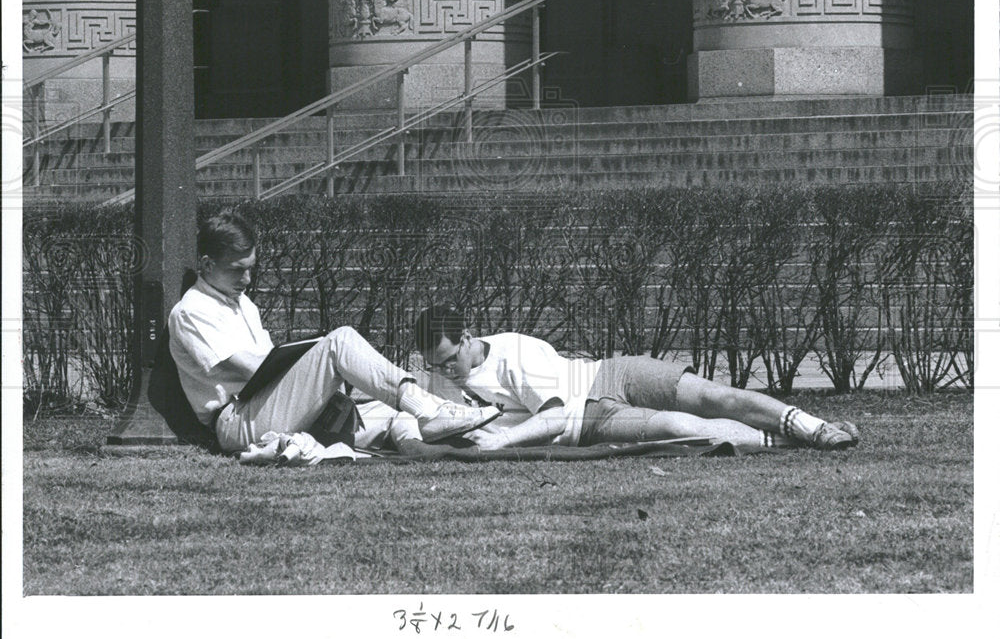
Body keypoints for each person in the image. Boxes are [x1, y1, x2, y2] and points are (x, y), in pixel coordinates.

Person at [168, 215, 498, 454]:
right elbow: (254, 370)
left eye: (251, 267)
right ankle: (428, 412)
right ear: (208, 265)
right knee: (339, 342)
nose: (248, 279)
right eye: (237, 270)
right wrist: (319, 364)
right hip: (239, 420)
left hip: (272, 406)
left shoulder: (242, 303)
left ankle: (429, 433)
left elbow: (272, 366)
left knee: (393, 408)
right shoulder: (191, 311)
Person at [413, 305, 860, 454]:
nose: (445, 371)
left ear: (468, 337)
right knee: (681, 428)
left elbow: (551, 414)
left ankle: (812, 427)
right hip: (588, 423)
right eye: (436, 365)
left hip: (606, 375)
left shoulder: (514, 349)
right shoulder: (441, 376)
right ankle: (788, 443)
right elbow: (421, 418)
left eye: (449, 359)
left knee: (710, 395)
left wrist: (499, 441)